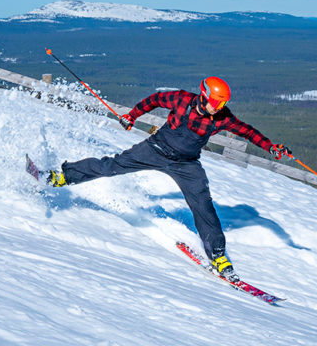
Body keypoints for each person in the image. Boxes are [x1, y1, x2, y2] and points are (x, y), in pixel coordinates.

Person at [45, 76, 292, 282]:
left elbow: (247, 131)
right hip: (155, 150)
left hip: (186, 164)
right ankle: (63, 176)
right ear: (204, 95)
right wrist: (132, 115)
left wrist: (270, 146)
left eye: (223, 102)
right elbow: (154, 100)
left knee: (202, 204)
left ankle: (217, 255)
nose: (219, 106)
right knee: (111, 166)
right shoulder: (181, 99)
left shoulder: (222, 117)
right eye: (216, 101)